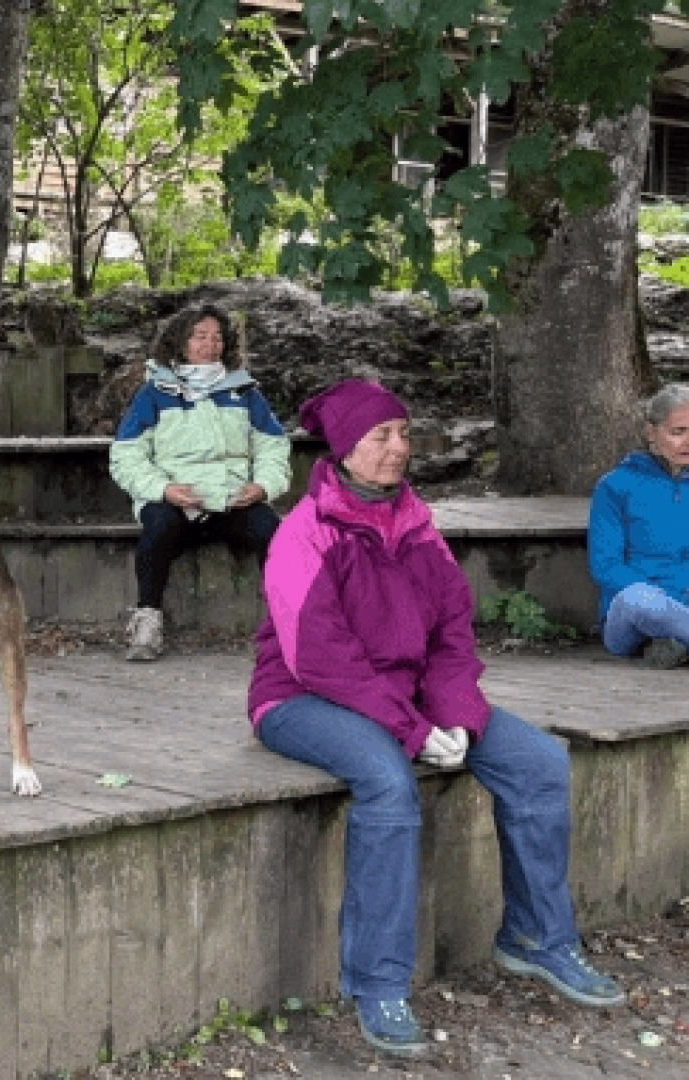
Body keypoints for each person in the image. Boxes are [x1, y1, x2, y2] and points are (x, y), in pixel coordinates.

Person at [251, 379, 623, 1056]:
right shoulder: (303, 534)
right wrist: (414, 731)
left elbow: (454, 631)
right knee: (388, 782)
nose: (399, 449)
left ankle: (537, 938)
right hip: (302, 698)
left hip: (412, 695)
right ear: (343, 450)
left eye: (403, 433)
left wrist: (455, 714)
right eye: (380, 437)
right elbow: (320, 658)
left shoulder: (417, 523)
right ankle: (377, 982)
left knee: (539, 762)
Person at [109, 304, 291, 660]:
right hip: (175, 503)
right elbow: (125, 455)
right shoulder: (154, 393)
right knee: (157, 526)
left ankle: (286, 624)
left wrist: (263, 486)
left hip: (231, 501)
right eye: (200, 337)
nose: (210, 345)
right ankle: (147, 621)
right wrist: (163, 490)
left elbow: (273, 446)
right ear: (180, 342)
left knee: (272, 529)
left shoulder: (244, 392)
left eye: (217, 337)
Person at [588, 382, 689, 669]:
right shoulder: (615, 486)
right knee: (640, 600)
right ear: (651, 433)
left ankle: (674, 643)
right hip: (635, 614)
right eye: (678, 432)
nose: (688, 442)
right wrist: (668, 598)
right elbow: (606, 566)